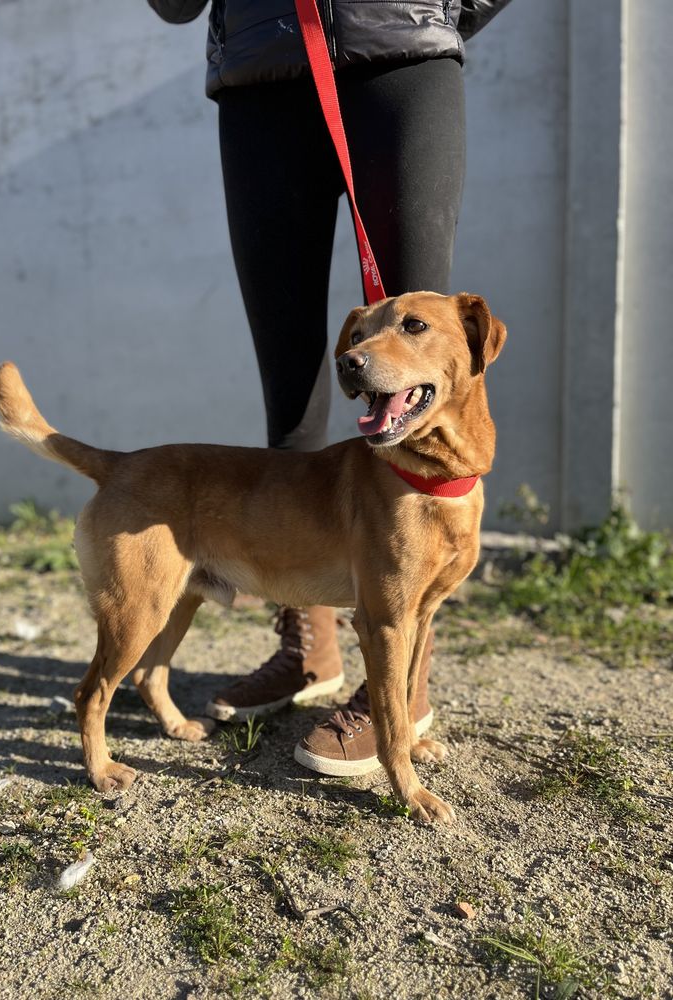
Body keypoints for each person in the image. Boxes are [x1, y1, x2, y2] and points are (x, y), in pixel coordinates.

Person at [147, 0, 511, 776]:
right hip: (258, 76)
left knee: (418, 361)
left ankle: (403, 689)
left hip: (401, 57)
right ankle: (309, 643)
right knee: (295, 384)